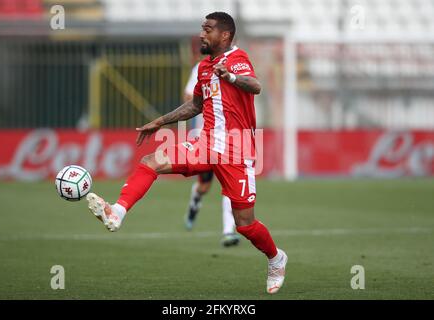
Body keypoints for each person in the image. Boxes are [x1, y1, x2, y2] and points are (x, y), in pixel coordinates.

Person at [86, 12, 288, 294]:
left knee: (245, 224)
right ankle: (117, 212)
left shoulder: (237, 58)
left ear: (225, 36)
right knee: (151, 162)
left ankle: (276, 258)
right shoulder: (204, 67)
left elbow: (256, 85)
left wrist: (229, 75)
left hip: (236, 150)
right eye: (202, 28)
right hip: (205, 144)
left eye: (208, 29)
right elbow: (195, 105)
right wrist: (160, 121)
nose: (202, 34)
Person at [183, 61, 241, 247]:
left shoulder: (236, 66)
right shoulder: (202, 67)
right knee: (204, 187)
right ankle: (195, 202)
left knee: (229, 183)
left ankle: (228, 231)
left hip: (231, 137)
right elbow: (188, 96)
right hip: (207, 137)